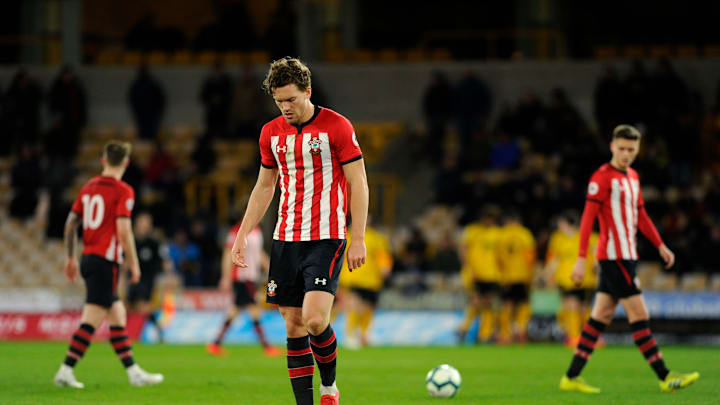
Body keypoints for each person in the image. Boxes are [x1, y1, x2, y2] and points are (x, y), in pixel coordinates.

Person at [229, 57, 368, 405]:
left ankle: (329, 387)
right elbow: (264, 187)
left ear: (308, 91)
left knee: (315, 320)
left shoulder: (337, 126)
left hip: (327, 236)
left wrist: (359, 236)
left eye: (291, 99)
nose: (286, 107)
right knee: (292, 326)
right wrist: (243, 233)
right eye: (279, 101)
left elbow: (358, 181)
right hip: (285, 238)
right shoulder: (270, 133)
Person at [559, 125, 699, 394]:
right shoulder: (601, 177)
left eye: (631, 150)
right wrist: (580, 258)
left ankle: (571, 377)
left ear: (637, 150)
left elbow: (641, 216)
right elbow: (588, 218)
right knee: (639, 313)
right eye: (621, 148)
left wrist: (660, 246)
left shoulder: (633, 176)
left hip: (628, 255)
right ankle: (665, 375)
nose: (625, 154)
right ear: (612, 146)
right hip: (613, 257)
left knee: (600, 315)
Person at [53, 141, 163, 388]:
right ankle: (65, 370)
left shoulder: (88, 187)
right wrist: (134, 264)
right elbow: (124, 232)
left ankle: (134, 373)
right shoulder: (123, 190)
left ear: (103, 160)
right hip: (105, 261)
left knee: (117, 314)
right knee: (91, 319)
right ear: (125, 163)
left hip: (88, 259)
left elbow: (71, 224)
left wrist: (70, 257)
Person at [206, 219, 281, 357]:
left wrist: (271, 269)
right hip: (242, 276)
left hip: (251, 276)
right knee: (253, 309)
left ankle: (215, 344)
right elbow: (228, 253)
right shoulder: (236, 231)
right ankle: (266, 346)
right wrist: (226, 276)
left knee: (236, 309)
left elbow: (259, 254)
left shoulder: (257, 231)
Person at [545, 211, 598, 347]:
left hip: (585, 278)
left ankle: (590, 337)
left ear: (568, 223)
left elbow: (597, 255)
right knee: (570, 304)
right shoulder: (557, 238)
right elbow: (554, 259)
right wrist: (548, 274)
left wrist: (598, 268)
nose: (558, 226)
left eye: (561, 223)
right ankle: (574, 336)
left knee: (584, 308)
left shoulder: (589, 236)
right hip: (565, 278)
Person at [338, 221, 393, 349]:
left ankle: (364, 334)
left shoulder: (377, 238)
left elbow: (382, 256)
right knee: (353, 306)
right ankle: (351, 334)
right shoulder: (345, 236)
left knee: (368, 308)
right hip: (351, 277)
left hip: (371, 280)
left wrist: (385, 267)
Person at [457, 207, 502, 344]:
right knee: (475, 302)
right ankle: (463, 329)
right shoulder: (472, 231)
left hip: (492, 274)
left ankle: (484, 335)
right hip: (475, 274)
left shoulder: (498, 233)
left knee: (488, 304)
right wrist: (467, 267)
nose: (488, 221)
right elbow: (463, 249)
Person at [126, 211, 170, 343]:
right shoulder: (131, 241)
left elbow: (164, 260)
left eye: (147, 223)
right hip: (133, 278)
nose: (145, 226)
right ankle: (125, 333)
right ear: (137, 225)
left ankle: (158, 331)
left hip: (148, 279)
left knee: (144, 306)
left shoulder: (154, 243)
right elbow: (125, 262)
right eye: (142, 223)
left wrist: (167, 274)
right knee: (129, 306)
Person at [496, 211, 535, 344]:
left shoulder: (501, 234)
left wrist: (502, 275)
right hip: (523, 275)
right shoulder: (525, 234)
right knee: (523, 303)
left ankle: (505, 334)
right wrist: (531, 275)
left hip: (507, 277)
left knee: (507, 304)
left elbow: (498, 258)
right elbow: (530, 257)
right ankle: (521, 330)